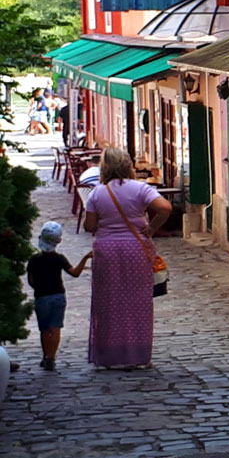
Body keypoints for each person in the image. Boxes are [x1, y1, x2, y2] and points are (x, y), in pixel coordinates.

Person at [83, 147, 172, 369]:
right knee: (138, 302)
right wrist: (152, 228)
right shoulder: (140, 188)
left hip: (107, 251)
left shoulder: (97, 193)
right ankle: (138, 356)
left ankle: (109, 357)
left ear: (104, 167)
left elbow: (90, 226)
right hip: (136, 250)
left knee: (107, 303)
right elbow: (165, 208)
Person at [26, 222, 92, 371]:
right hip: (58, 296)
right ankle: (51, 357)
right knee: (55, 327)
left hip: (41, 297)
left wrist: (39, 288)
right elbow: (75, 273)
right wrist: (85, 258)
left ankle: (45, 356)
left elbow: (31, 281)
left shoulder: (34, 260)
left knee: (44, 329)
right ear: (59, 241)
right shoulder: (59, 258)